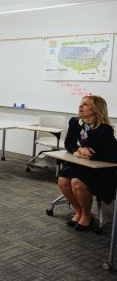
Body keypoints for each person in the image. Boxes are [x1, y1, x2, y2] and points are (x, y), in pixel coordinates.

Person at [57, 95, 117, 231]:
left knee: (76, 182)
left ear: (96, 109)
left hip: (99, 169)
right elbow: (69, 143)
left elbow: (114, 155)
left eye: (85, 104)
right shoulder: (75, 123)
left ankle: (86, 217)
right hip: (80, 164)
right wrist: (77, 150)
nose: (80, 107)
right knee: (62, 179)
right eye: (81, 104)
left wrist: (91, 155)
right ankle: (80, 211)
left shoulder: (104, 129)